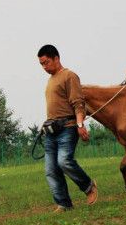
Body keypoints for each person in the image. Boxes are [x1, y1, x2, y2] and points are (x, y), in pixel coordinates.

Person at [38, 44, 98, 212]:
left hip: (68, 127)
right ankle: (64, 204)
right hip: (51, 131)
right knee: (51, 170)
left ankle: (89, 187)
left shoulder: (69, 76)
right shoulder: (50, 80)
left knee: (64, 161)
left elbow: (78, 103)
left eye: (46, 62)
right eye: (41, 64)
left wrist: (80, 125)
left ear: (56, 58)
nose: (44, 67)